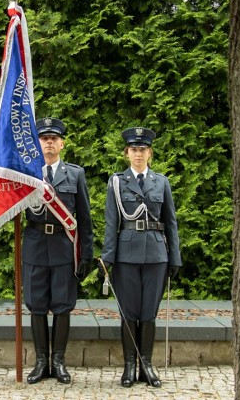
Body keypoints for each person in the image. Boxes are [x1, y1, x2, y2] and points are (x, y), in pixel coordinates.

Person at [99, 127, 181, 388]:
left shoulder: (162, 182)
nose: (138, 153)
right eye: (133, 149)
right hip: (126, 255)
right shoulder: (116, 182)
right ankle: (129, 366)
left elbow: (171, 223)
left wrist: (175, 257)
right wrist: (107, 258)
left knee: (148, 313)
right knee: (129, 312)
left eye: (142, 149)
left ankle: (146, 365)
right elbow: (111, 223)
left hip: (157, 254)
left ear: (150, 153)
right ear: (127, 153)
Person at [22, 117, 94, 384]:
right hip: (35, 247)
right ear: (38, 143)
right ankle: (41, 362)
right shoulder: (26, 174)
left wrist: (86, 253)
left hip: (64, 249)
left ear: (62, 143)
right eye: (44, 138)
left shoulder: (75, 174)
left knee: (63, 307)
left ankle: (59, 362)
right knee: (37, 306)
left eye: (54, 138)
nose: (49, 142)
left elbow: (85, 219)